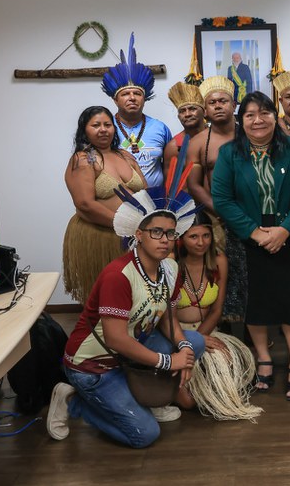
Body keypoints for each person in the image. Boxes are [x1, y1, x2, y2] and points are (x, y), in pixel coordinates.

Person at [47, 180, 207, 448]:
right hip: (94, 365)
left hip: (130, 350)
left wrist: (184, 349)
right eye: (156, 232)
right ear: (139, 234)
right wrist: (169, 362)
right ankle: (73, 401)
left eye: (171, 233)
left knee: (195, 342)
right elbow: (115, 340)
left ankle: (147, 398)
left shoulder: (170, 267)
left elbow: (168, 317)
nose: (165, 240)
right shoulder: (118, 275)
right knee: (144, 435)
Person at [211, 91, 290, 400]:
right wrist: (255, 233)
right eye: (250, 114)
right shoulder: (230, 153)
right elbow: (223, 200)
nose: (258, 120)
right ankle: (264, 359)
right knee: (253, 301)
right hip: (246, 237)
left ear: (274, 116)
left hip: (286, 232)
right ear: (240, 120)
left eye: (265, 113)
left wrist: (285, 230)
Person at [175, 211, 263, 421]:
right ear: (181, 238)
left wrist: (201, 338)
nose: (201, 243)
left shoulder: (219, 260)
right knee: (188, 403)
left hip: (206, 329)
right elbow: (164, 317)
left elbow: (217, 310)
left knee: (229, 361)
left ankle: (204, 383)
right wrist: (192, 341)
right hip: (176, 334)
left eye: (206, 236)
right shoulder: (171, 263)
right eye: (193, 237)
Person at [63, 105, 147, 305]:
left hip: (132, 237)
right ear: (85, 130)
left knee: (132, 297)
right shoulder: (84, 159)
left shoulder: (125, 155)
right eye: (96, 125)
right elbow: (84, 204)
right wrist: (124, 224)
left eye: (107, 124)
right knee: (105, 299)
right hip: (100, 236)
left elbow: (144, 190)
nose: (103, 129)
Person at [102, 33, 172, 188]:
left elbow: (169, 166)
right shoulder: (105, 128)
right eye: (125, 94)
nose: (132, 98)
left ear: (144, 98)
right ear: (115, 100)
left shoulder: (160, 128)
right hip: (117, 202)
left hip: (156, 201)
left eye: (138, 94)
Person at [185, 76, 237, 214]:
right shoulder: (196, 143)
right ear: (205, 110)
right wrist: (220, 210)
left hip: (252, 213)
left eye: (223, 101)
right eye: (212, 102)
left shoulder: (250, 135)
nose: (218, 106)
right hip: (215, 214)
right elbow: (194, 185)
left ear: (234, 106)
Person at [163, 81, 206, 177]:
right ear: (178, 116)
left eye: (192, 109)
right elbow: (170, 186)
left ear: (204, 112)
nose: (187, 114)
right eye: (182, 111)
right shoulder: (173, 147)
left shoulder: (214, 136)